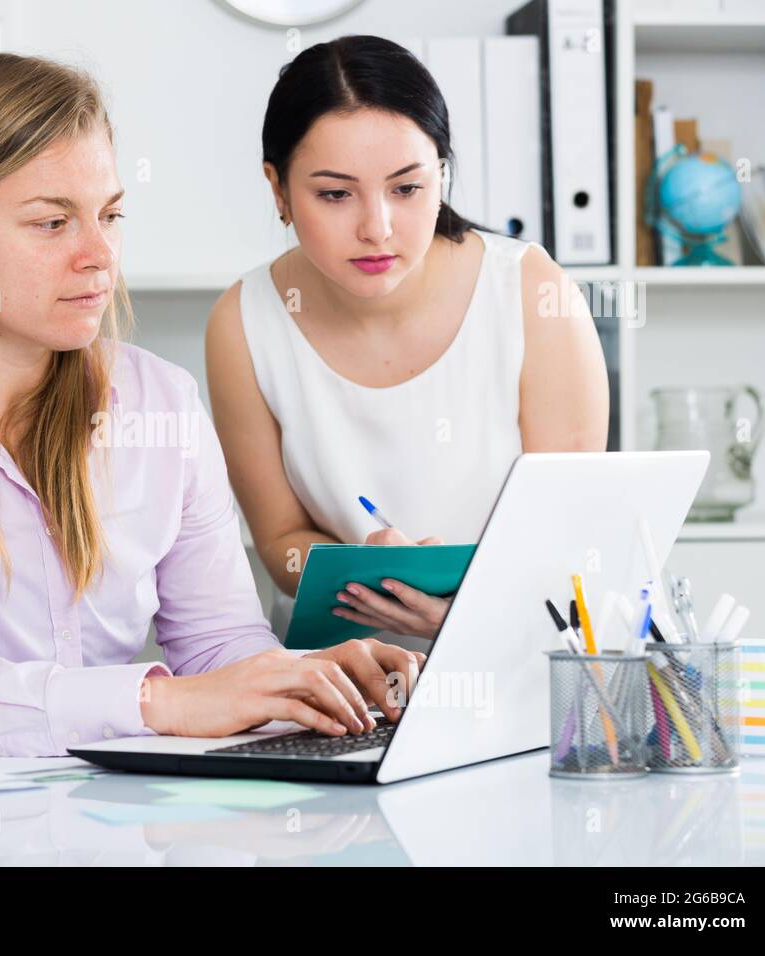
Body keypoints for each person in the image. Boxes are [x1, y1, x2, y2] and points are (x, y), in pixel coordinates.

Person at [0, 52, 425, 758]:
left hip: (119, 821)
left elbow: (217, 644)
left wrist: (301, 683)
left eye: (109, 214)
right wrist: (156, 702)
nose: (100, 255)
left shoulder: (161, 404)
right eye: (53, 223)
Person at [206, 36, 609, 652]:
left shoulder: (531, 291)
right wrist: (366, 573)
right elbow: (279, 540)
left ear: (441, 175)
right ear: (278, 189)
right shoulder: (244, 322)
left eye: (407, 188)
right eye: (335, 194)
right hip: (336, 682)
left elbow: (570, 530)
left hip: (521, 661)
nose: (377, 229)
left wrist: (467, 614)